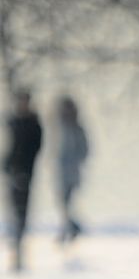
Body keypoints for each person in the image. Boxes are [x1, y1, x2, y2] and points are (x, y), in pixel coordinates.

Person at [5, 89, 43, 273]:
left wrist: (24, 170)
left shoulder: (33, 124)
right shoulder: (13, 122)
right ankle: (15, 247)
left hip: (25, 174)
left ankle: (19, 246)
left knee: (21, 212)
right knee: (11, 211)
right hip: (12, 172)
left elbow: (35, 149)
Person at [55, 95, 89, 244]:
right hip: (61, 172)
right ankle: (68, 229)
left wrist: (74, 162)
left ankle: (71, 229)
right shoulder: (59, 127)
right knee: (64, 203)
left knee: (67, 203)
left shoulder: (76, 129)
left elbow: (84, 150)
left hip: (72, 173)